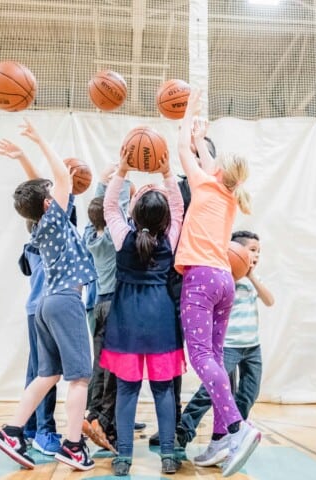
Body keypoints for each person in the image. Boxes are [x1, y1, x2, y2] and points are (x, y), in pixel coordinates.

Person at [0, 119, 96, 472]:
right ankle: (72, 445)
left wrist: (23, 157)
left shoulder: (40, 223)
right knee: (79, 377)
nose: (56, 193)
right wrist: (39, 139)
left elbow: (40, 190)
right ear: (50, 204)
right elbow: (61, 180)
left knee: (47, 375)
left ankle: (12, 431)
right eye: (51, 194)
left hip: (46, 305)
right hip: (65, 301)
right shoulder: (53, 219)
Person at [174, 88, 259, 478]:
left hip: (202, 281)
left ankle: (239, 428)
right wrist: (199, 136)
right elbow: (204, 158)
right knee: (216, 356)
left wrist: (188, 116)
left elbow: (182, 152)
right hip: (225, 280)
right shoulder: (227, 193)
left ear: (218, 172)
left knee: (202, 358)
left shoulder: (206, 185)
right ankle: (221, 437)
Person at [99, 148, 186, 476]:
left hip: (127, 322)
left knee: (126, 389)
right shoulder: (171, 238)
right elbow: (178, 208)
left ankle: (123, 457)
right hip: (162, 320)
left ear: (133, 213)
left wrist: (122, 170)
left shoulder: (123, 237)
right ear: (165, 218)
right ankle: (167, 454)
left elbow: (109, 207)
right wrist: (166, 173)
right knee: (164, 389)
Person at [177, 230, 275, 458]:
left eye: (259, 252)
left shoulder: (252, 282)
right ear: (235, 251)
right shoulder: (226, 278)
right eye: (251, 250)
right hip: (229, 345)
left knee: (249, 392)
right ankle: (185, 428)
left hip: (251, 346)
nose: (256, 255)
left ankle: (233, 433)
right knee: (211, 390)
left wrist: (251, 276)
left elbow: (270, 301)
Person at [0, 139, 61, 456]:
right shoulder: (50, 229)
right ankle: (44, 430)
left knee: (37, 370)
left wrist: (22, 157)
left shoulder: (37, 231)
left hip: (37, 309)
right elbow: (46, 194)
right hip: (48, 310)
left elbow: (39, 196)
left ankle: (31, 427)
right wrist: (26, 156)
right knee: (47, 372)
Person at [150, 131, 217, 448]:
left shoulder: (216, 190)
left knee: (216, 361)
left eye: (197, 151)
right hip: (176, 285)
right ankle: (174, 425)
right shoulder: (176, 192)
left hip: (209, 284)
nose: (190, 156)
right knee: (174, 357)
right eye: (188, 151)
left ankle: (224, 426)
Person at [82, 165, 133, 454]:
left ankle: (90, 414)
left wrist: (103, 185)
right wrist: (119, 180)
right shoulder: (115, 239)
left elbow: (100, 214)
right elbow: (119, 210)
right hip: (115, 305)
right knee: (115, 369)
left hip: (98, 305)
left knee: (99, 364)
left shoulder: (91, 238)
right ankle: (105, 424)